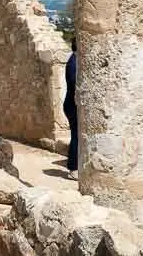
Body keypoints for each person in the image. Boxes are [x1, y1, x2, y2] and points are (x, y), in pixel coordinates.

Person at [63, 36, 78, 179]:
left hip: (73, 103)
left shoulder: (75, 60)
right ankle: (73, 168)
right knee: (76, 136)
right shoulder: (73, 62)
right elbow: (73, 84)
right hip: (72, 104)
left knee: (77, 135)